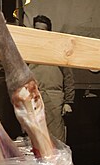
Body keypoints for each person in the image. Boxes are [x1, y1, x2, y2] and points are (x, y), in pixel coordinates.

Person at [30, 15, 75, 143]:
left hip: (54, 97)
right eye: (37, 30)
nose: (39, 33)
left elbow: (68, 77)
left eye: (43, 30)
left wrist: (68, 102)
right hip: (34, 97)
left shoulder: (58, 50)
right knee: (35, 136)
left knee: (56, 137)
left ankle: (59, 157)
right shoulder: (29, 50)